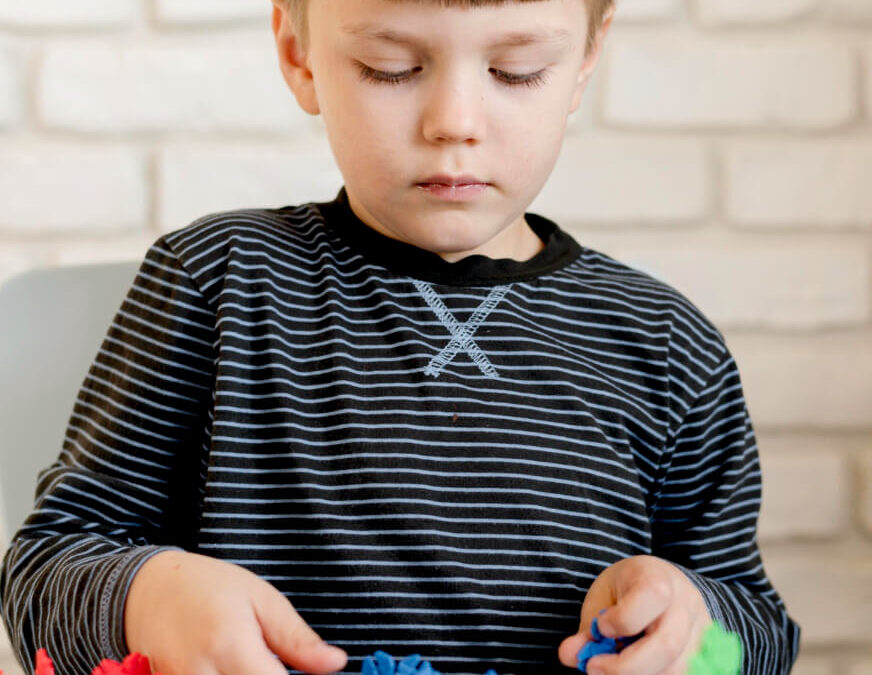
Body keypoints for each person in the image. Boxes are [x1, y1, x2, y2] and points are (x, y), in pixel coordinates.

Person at [0, 1, 801, 674]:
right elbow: (43, 573)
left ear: (586, 60)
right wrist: (152, 597)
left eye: (516, 70)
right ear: (298, 52)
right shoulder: (218, 280)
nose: (454, 122)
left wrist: (695, 628)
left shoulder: (663, 339)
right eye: (391, 67)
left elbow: (759, 629)